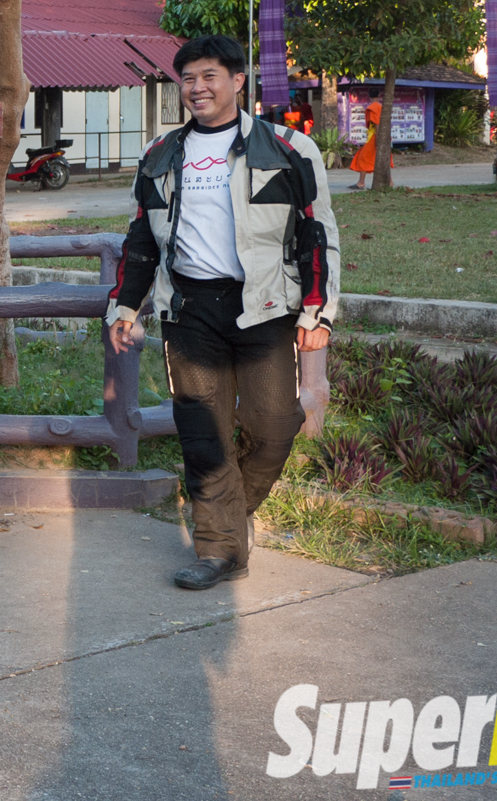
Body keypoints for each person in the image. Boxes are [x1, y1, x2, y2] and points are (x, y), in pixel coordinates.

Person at [106, 35, 339, 591]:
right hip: (189, 309)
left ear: (238, 80)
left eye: (209, 76)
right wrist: (126, 305)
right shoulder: (160, 153)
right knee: (202, 434)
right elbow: (142, 238)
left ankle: (229, 518)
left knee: (274, 425)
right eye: (188, 78)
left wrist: (317, 311)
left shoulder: (287, 148)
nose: (197, 88)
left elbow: (317, 234)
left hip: (265, 306)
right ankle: (217, 549)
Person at [348, 98, 390, 190]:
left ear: (369, 96)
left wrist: (378, 139)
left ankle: (361, 182)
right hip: (383, 136)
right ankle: (389, 182)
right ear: (379, 96)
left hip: (374, 137)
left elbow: (376, 123)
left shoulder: (372, 108)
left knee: (363, 158)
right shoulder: (382, 107)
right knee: (382, 158)